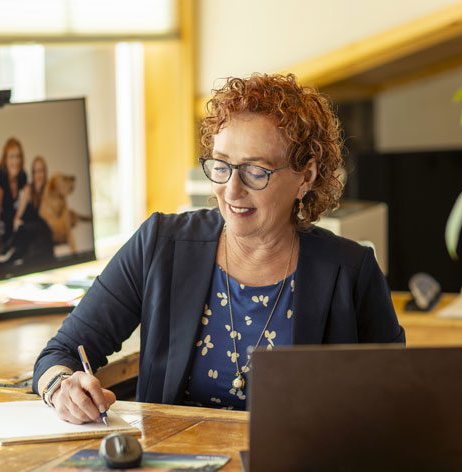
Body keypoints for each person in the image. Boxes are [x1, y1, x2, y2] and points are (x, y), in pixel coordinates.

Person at [33, 73, 405, 424]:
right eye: (221, 166)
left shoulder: (351, 271)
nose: (231, 190)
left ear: (305, 176)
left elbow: (394, 399)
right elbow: (59, 353)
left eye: (256, 171)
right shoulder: (160, 244)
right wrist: (60, 388)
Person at [0, 137, 28, 244]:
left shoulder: (22, 176)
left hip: (15, 220)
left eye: (18, 156)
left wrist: (17, 218)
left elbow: (23, 203)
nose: (15, 161)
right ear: (5, 159)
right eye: (11, 157)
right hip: (0, 223)